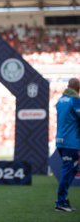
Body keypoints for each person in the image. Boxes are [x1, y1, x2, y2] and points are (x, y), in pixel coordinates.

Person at [54, 77, 80, 212]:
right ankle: (60, 202)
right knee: (68, 170)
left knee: (73, 169)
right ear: (78, 89)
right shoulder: (75, 101)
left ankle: (63, 199)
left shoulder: (60, 100)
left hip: (60, 140)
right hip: (71, 142)